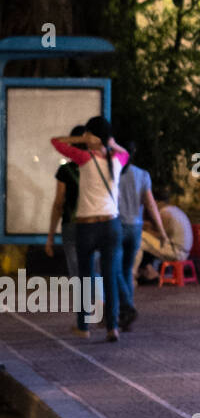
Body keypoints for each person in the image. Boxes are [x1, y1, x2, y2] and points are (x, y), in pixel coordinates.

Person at [51, 117, 128, 342]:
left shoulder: (84, 158)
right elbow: (125, 152)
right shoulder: (118, 160)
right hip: (111, 225)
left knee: (85, 278)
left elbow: (56, 142)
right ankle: (112, 327)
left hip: (87, 226)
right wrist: (109, 142)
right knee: (110, 276)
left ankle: (83, 326)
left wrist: (82, 139)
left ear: (92, 136)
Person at [115, 145, 165, 331]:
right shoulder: (143, 175)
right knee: (127, 270)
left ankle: (126, 307)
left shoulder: (112, 173)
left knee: (115, 269)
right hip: (135, 228)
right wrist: (161, 230)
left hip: (117, 226)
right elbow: (150, 205)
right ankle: (127, 310)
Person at [44, 123, 85, 280]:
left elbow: (59, 203)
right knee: (94, 268)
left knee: (76, 270)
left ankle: (81, 304)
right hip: (95, 223)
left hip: (71, 224)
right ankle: (100, 301)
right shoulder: (98, 166)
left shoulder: (65, 170)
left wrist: (51, 236)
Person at [138, 184, 194, 281]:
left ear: (155, 201)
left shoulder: (164, 213)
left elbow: (160, 236)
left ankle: (138, 274)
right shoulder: (174, 210)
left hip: (176, 252)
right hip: (182, 251)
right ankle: (148, 270)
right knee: (144, 240)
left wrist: (144, 229)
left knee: (139, 238)